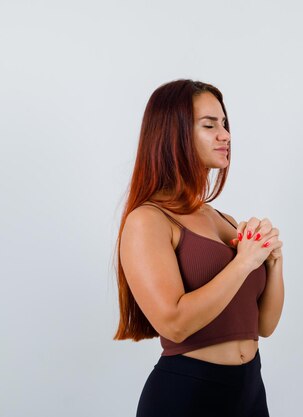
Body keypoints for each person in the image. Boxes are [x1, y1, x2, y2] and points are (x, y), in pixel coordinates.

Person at [112, 79, 285, 417]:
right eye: (209, 125)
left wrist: (273, 261)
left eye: (224, 124)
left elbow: (264, 325)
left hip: (250, 391)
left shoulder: (225, 219)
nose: (225, 135)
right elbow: (174, 324)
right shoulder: (149, 220)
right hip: (188, 395)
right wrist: (243, 263)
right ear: (172, 134)